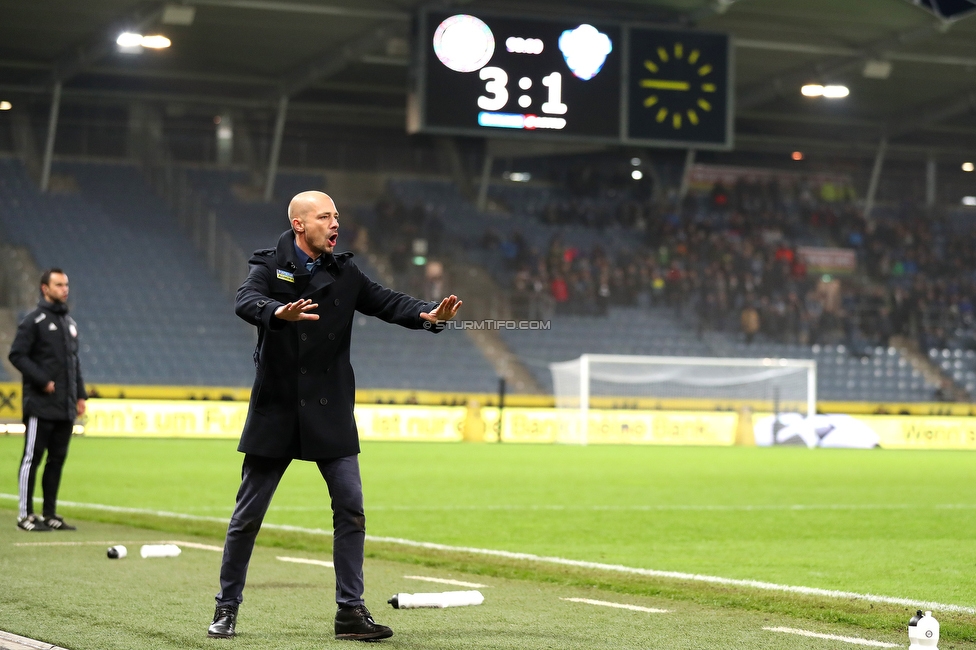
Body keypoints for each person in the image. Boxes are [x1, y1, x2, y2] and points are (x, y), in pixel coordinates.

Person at [207, 191, 462, 642]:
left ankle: (350, 612)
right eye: (325, 217)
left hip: (330, 409)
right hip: (278, 409)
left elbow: (386, 301)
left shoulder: (345, 271)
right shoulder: (268, 266)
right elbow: (245, 301)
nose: (335, 223)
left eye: (337, 216)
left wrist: (427, 315)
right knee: (247, 516)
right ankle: (226, 608)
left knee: (351, 509)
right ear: (300, 224)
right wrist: (277, 312)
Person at [8, 268, 87, 532]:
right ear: (45, 288)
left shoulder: (69, 324)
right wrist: (42, 380)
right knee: (32, 458)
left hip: (64, 407)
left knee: (57, 460)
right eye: (59, 284)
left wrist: (81, 395)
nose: (65, 289)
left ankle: (50, 513)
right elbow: (17, 355)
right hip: (40, 405)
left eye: (66, 284)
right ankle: (25, 515)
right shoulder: (34, 321)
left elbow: (74, 364)